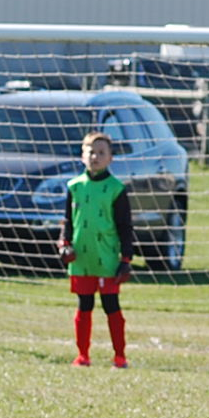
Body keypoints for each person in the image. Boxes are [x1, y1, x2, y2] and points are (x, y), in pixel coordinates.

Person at [58, 131, 134, 368]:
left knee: (111, 306)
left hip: (107, 258)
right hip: (82, 258)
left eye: (101, 153)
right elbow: (68, 221)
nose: (95, 157)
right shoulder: (74, 186)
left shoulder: (116, 189)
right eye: (91, 152)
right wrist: (64, 244)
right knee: (84, 304)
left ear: (111, 158)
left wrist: (126, 259)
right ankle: (83, 355)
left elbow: (124, 226)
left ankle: (119, 356)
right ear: (82, 156)